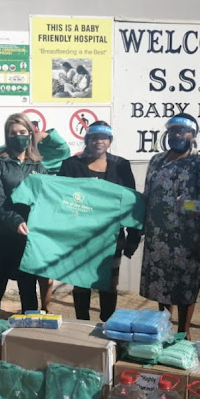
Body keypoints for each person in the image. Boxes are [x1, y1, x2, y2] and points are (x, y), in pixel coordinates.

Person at [140, 113, 200, 339]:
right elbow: (147, 195)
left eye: (183, 131)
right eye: (173, 130)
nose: (177, 135)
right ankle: (163, 326)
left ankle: (184, 331)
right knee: (161, 285)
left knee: (185, 285)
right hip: (158, 235)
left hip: (188, 236)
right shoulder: (156, 161)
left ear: (193, 135)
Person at [59, 121, 141, 321]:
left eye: (103, 137)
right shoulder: (71, 165)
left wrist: (133, 238)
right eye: (94, 137)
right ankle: (81, 324)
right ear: (87, 140)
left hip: (112, 237)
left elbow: (131, 201)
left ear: (110, 141)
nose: (99, 141)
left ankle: (108, 324)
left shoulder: (121, 165)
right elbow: (60, 200)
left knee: (110, 283)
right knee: (80, 282)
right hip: (80, 237)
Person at [0, 113, 49, 318]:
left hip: (28, 240)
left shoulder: (37, 165)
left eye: (22, 132)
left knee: (29, 292)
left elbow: (48, 196)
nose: (18, 136)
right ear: (7, 136)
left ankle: (28, 340)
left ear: (30, 134)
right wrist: (15, 220)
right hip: (3, 237)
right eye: (13, 133)